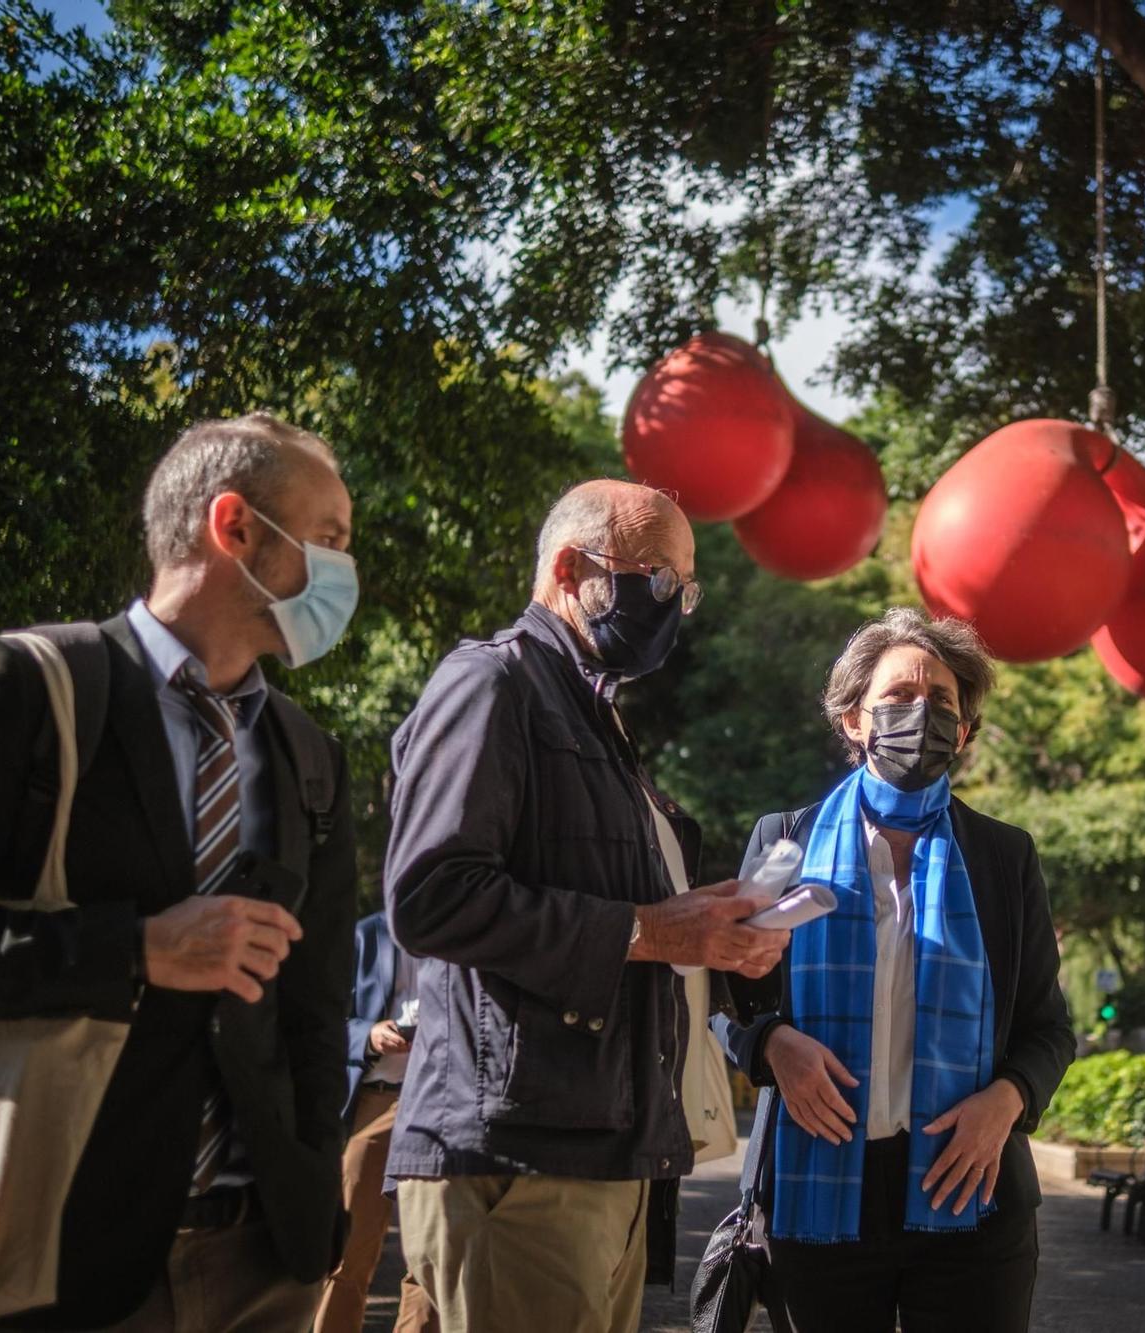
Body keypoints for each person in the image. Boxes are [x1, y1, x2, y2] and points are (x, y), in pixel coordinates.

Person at [0, 412, 361, 1330]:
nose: (345, 573)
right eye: (330, 539)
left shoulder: (310, 756)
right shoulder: (26, 688)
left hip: (266, 1261)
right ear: (236, 529)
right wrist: (134, 949)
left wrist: (313, 1195)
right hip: (47, 1262)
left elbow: (316, 1000)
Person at [383, 479, 790, 1333]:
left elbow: (618, 917)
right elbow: (431, 897)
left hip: (607, 1153)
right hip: (518, 1162)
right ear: (571, 569)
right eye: (657, 577)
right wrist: (646, 930)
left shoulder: (596, 716)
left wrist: (709, 928)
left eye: (687, 584)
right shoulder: (489, 684)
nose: (676, 604)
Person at [718, 607, 1076, 1333]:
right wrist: (771, 1046)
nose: (923, 714)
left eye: (943, 702)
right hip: (818, 1193)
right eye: (901, 697)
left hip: (970, 1187)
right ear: (854, 719)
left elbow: (1048, 1029)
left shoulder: (1003, 857)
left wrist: (1005, 1101)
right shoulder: (784, 841)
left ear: (965, 731)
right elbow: (725, 1002)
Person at [315, 911, 435, 1333]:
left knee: (431, 1254)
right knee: (349, 1246)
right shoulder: (365, 935)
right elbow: (321, 1018)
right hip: (376, 1100)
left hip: (439, 1101)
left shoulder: (465, 933)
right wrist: (369, 1034)